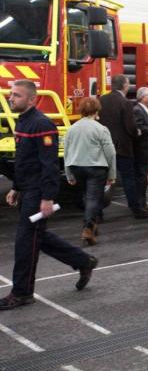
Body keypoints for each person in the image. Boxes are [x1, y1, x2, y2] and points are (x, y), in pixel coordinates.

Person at [0, 80, 97, 310]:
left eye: (17, 96)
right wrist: (15, 187)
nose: (11, 99)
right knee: (38, 237)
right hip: (27, 189)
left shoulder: (42, 125)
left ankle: (22, 293)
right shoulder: (23, 121)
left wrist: (47, 197)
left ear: (32, 99)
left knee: (26, 242)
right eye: (11, 95)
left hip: (37, 193)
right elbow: (24, 162)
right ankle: (84, 261)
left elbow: (49, 166)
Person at [64, 97, 117, 245]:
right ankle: (88, 228)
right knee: (93, 198)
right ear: (97, 111)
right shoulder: (101, 129)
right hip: (96, 168)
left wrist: (68, 173)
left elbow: (67, 152)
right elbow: (110, 153)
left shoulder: (71, 129)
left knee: (86, 196)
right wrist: (112, 174)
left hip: (76, 167)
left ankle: (93, 225)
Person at [99, 74, 148, 219]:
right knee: (129, 179)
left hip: (104, 147)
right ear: (124, 86)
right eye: (128, 84)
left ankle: (97, 213)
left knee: (102, 180)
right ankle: (136, 209)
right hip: (122, 147)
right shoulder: (126, 103)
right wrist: (138, 132)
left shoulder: (101, 100)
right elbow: (130, 127)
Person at [133, 87, 148, 213]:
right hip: (142, 151)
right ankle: (140, 206)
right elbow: (139, 127)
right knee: (142, 178)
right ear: (143, 97)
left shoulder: (147, 110)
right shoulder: (137, 110)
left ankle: (143, 203)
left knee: (144, 179)